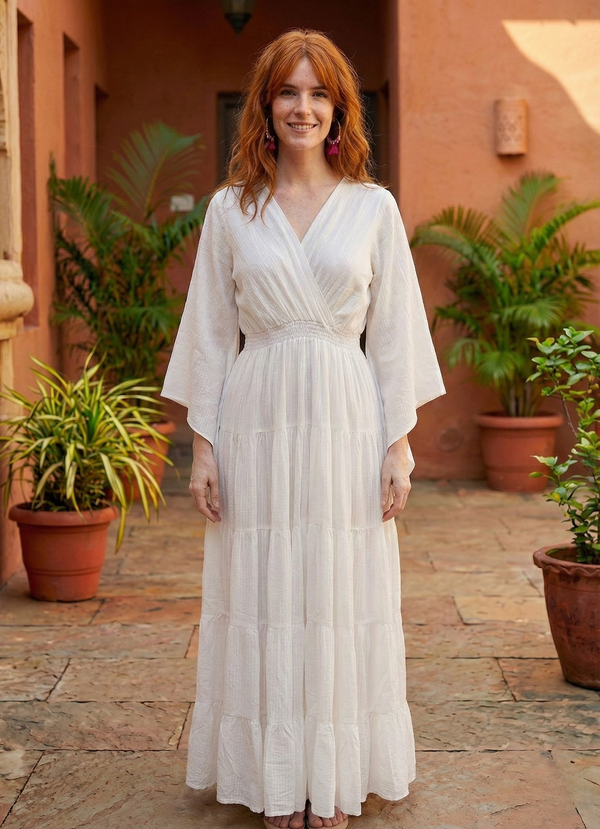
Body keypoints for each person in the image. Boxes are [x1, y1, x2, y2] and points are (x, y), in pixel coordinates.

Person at [161, 27, 445, 829]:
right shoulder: (231, 210)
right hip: (258, 419)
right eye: (288, 91)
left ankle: (335, 773)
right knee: (265, 587)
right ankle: (276, 777)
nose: (303, 107)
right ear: (265, 105)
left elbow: (393, 334)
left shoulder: (373, 208)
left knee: (338, 588)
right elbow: (212, 333)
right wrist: (203, 450)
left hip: (347, 418)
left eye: (320, 93)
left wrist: (399, 444)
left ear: (340, 110)